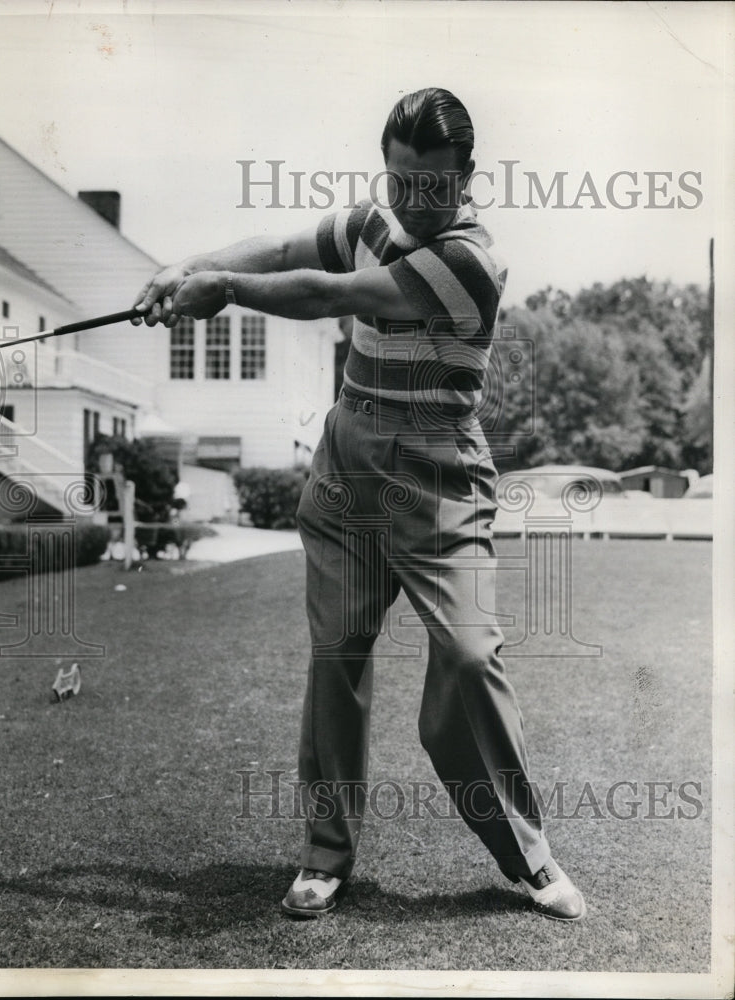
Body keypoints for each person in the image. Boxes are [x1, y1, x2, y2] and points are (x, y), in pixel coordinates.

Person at [132, 87, 586, 923]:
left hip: (438, 471)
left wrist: (221, 289)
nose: (416, 201)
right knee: (337, 655)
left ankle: (526, 854)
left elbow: (325, 293)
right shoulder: (375, 220)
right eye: (401, 181)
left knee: (467, 655)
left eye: (435, 186)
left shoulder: (469, 263)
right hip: (348, 463)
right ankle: (325, 853)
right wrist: (189, 268)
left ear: (469, 178)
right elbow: (280, 243)